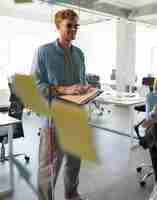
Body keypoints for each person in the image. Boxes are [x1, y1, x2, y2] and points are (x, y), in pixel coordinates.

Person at [31, 9, 90, 200]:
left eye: (76, 26)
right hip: (54, 120)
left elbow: (79, 83)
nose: (74, 30)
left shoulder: (79, 54)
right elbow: (36, 85)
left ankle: (71, 195)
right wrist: (65, 89)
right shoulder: (44, 52)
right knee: (49, 167)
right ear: (58, 27)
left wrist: (86, 88)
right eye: (69, 26)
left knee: (74, 163)